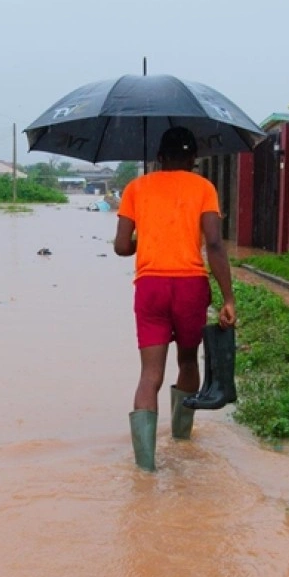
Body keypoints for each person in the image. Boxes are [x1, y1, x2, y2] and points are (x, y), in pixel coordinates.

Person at [113, 126, 236, 472]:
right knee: (187, 362)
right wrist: (228, 297)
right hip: (190, 287)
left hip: (150, 287)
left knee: (149, 375)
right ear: (194, 159)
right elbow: (213, 243)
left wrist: (148, 240)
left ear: (159, 157)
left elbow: (122, 246)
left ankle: (145, 469)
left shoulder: (136, 188)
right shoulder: (204, 188)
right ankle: (181, 441)